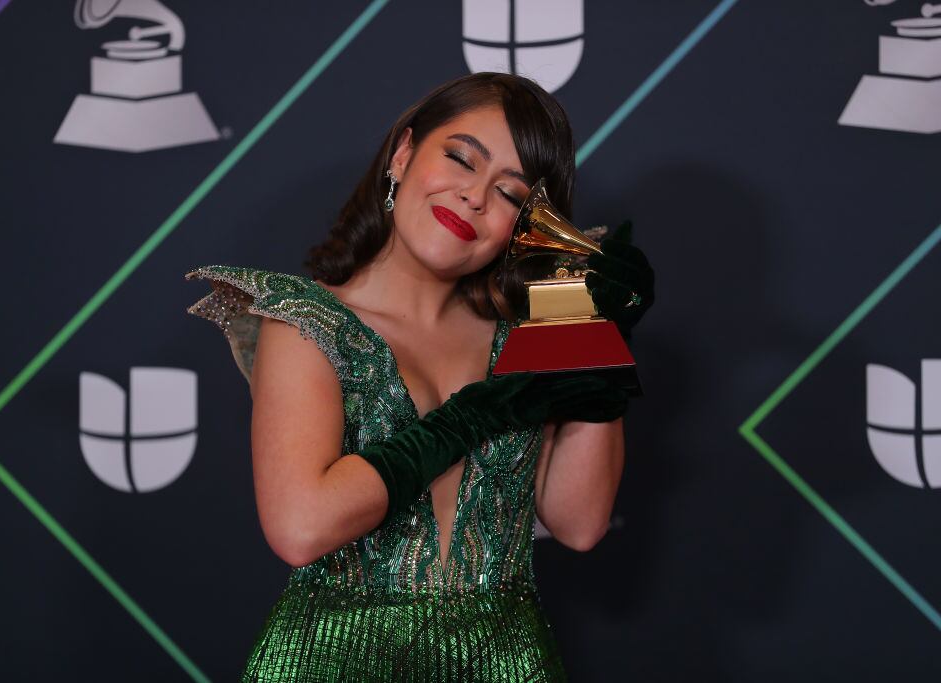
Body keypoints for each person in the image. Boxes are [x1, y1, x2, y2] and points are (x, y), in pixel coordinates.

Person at [185, 72, 655, 682]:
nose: (474, 197)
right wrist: (471, 415)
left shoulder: (534, 329)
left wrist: (598, 333)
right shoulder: (306, 321)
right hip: (333, 664)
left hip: (506, 663)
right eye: (460, 158)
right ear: (403, 153)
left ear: (524, 224)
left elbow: (580, 521)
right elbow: (301, 528)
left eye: (510, 194)